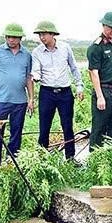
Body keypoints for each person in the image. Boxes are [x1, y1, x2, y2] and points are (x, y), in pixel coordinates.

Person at [31, 20, 84, 159]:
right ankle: (42, 158)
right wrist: (35, 76)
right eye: (40, 35)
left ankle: (70, 157)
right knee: (44, 126)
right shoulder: (36, 52)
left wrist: (79, 86)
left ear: (53, 34)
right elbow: (36, 69)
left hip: (65, 93)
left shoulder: (65, 48)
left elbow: (73, 68)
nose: (42, 38)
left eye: (44, 34)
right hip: (46, 93)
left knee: (67, 126)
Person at [0, 23, 33, 163]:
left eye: (14, 37)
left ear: (20, 38)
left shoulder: (27, 54)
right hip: (2, 100)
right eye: (8, 37)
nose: (11, 40)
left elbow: (29, 78)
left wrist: (31, 98)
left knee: (16, 132)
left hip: (20, 101)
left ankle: (12, 160)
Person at [86, 11, 112, 148]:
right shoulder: (96, 47)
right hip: (104, 90)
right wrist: (100, 96)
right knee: (99, 126)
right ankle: (96, 159)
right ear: (104, 26)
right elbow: (93, 73)